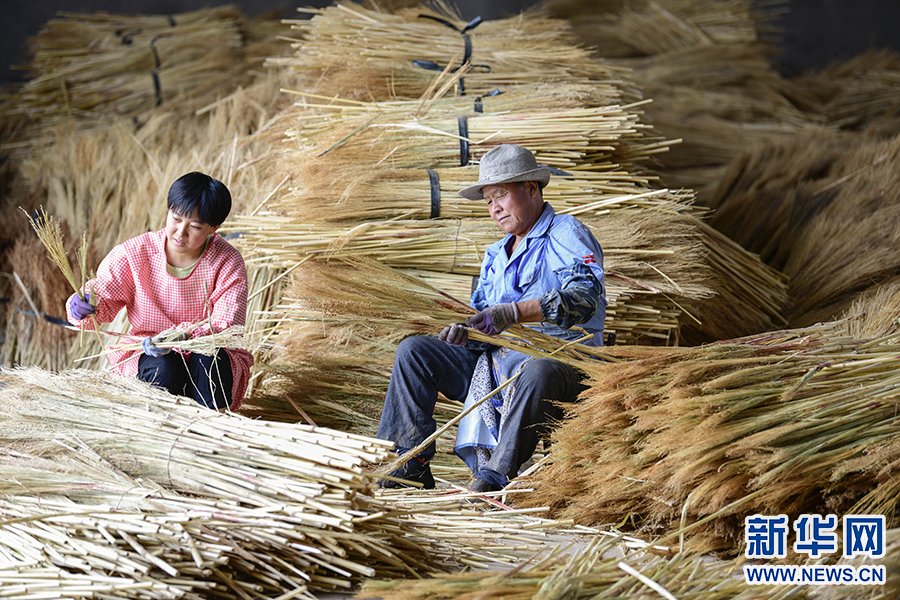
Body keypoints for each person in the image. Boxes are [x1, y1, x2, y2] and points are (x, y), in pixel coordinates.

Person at [376, 144, 606, 492]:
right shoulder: (495, 255)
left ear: (531, 189)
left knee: (538, 369)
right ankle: (408, 466)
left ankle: (493, 480)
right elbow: (483, 320)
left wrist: (514, 313)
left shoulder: (566, 233)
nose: (495, 208)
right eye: (488, 201)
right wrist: (466, 332)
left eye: (501, 195)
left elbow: (584, 299)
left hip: (562, 368)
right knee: (415, 352)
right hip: (498, 368)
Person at [66, 172, 253, 411]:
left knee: (208, 357)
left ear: (213, 229)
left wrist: (182, 337)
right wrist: (85, 304)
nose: (180, 232)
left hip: (205, 348)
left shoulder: (227, 261)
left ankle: (208, 435)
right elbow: (103, 292)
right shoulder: (135, 253)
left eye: (194, 226)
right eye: (175, 218)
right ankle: (157, 432)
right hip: (150, 349)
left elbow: (228, 325)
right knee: (164, 366)